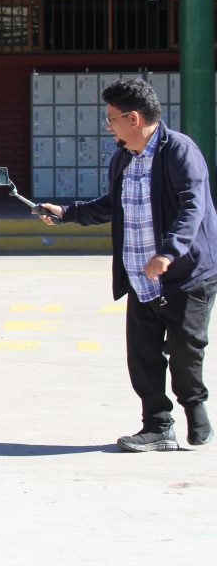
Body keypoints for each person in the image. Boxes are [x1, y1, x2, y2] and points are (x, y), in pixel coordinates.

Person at [36, 77, 217, 452]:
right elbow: (111, 205)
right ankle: (157, 426)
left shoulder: (179, 151)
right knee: (143, 355)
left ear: (133, 118)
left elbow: (193, 206)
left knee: (185, 351)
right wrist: (67, 214)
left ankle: (194, 407)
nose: (108, 126)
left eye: (112, 118)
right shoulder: (124, 158)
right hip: (140, 276)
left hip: (186, 275)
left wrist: (168, 252)